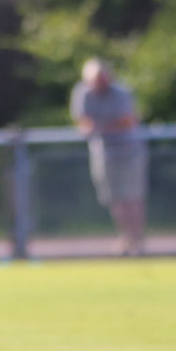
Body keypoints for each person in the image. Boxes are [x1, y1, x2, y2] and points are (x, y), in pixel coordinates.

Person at [70, 58, 148, 255]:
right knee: (115, 198)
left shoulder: (122, 92)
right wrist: (99, 128)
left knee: (132, 196)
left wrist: (100, 127)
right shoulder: (83, 93)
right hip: (104, 153)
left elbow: (127, 121)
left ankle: (137, 239)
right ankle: (126, 237)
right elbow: (83, 122)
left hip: (129, 152)